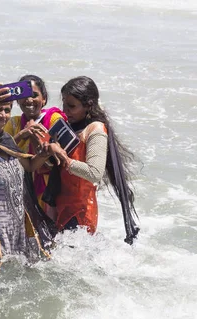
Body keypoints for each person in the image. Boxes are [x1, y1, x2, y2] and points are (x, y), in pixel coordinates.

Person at [0, 84, 57, 271]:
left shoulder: (8, 141)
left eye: (7, 110)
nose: (3, 115)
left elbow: (29, 166)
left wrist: (45, 154)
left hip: (16, 231)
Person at [43, 76, 140, 244]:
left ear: (88, 105)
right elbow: (53, 165)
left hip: (79, 211)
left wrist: (64, 158)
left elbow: (94, 173)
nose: (65, 111)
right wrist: (47, 151)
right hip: (58, 205)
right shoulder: (69, 126)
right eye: (64, 104)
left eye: (71, 106)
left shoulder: (95, 130)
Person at [4, 75, 66, 219]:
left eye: (34, 95)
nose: (29, 100)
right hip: (20, 189)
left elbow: (55, 161)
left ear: (44, 98)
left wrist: (34, 137)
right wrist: (21, 135)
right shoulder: (14, 123)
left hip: (50, 191)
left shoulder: (55, 119)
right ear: (18, 100)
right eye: (24, 96)